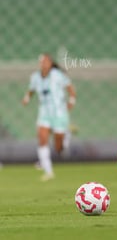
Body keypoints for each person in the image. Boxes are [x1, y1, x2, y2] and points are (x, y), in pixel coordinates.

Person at [22, 53, 76, 181]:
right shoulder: (35, 77)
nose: (44, 64)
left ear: (51, 63)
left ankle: (66, 134)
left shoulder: (58, 75)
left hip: (59, 113)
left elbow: (70, 89)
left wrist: (72, 101)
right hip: (44, 113)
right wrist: (26, 98)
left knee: (59, 148)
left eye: (46, 61)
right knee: (42, 138)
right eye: (42, 61)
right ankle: (48, 171)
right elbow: (31, 90)